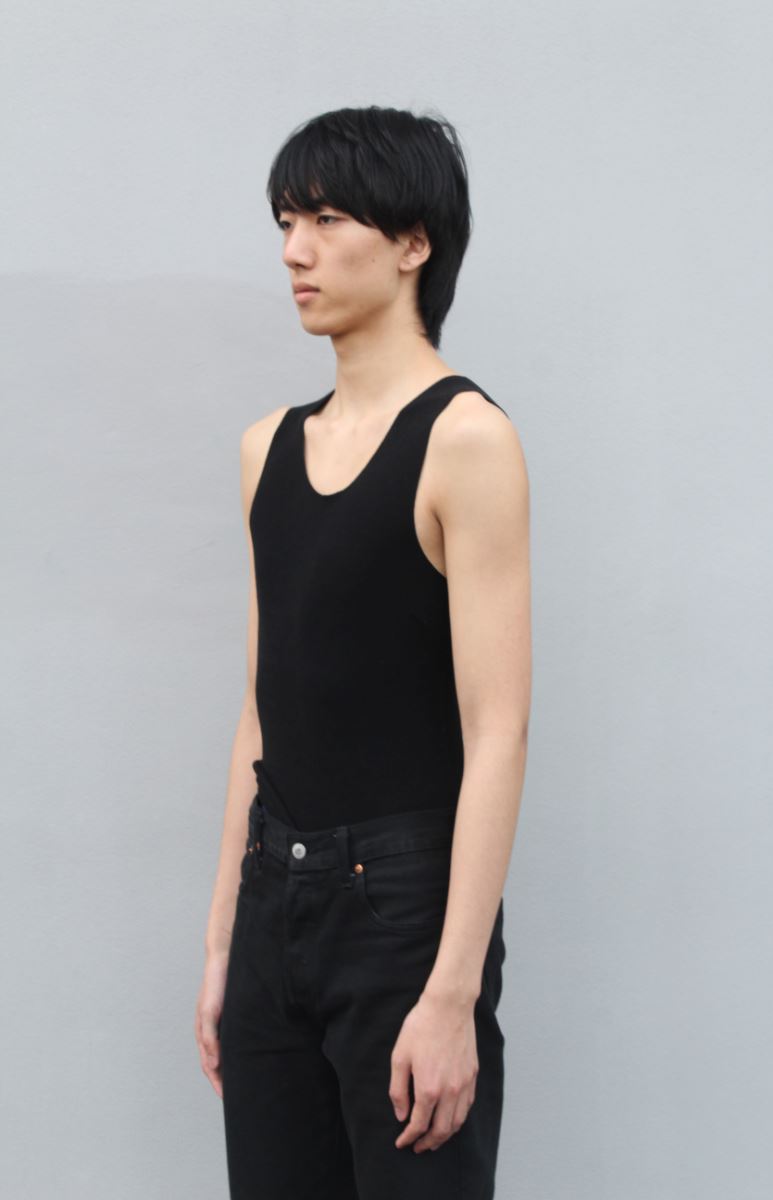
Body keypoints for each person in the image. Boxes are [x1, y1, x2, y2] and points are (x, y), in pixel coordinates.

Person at [194, 104, 531, 1200]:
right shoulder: (267, 448)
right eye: (286, 222)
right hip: (272, 900)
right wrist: (222, 948)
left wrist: (451, 992)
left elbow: (497, 730)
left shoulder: (465, 439)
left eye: (327, 219)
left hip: (401, 913)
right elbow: (262, 709)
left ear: (412, 242)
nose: (295, 251)